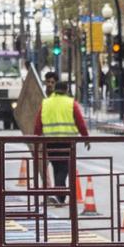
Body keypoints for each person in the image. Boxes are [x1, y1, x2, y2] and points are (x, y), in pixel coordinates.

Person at [38, 71, 89, 209]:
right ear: (66, 90)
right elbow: (80, 122)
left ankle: (59, 197)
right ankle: (59, 194)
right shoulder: (70, 103)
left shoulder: (46, 103)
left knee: (57, 167)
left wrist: (37, 139)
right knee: (64, 169)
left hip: (50, 142)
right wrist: (86, 138)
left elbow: (38, 123)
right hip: (67, 142)